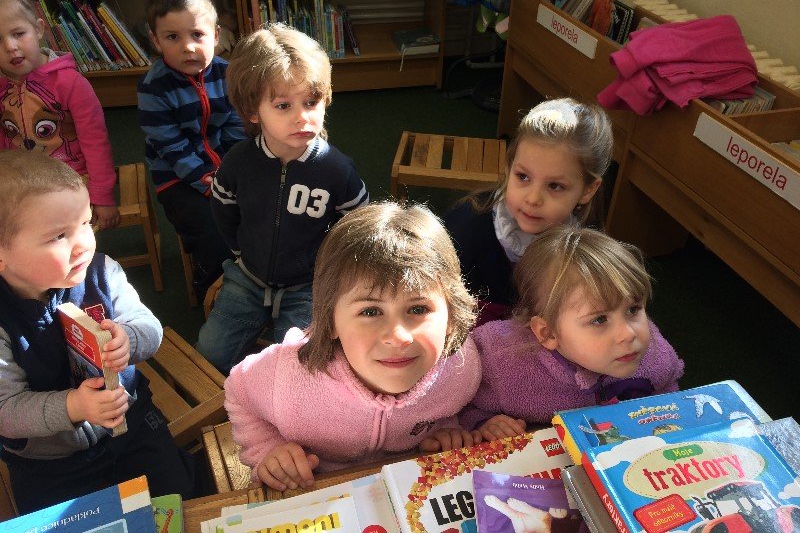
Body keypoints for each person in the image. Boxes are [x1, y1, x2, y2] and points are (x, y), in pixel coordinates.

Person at [224, 202, 482, 491]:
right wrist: (267, 449)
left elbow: (459, 407)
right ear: (331, 320)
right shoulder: (287, 376)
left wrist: (450, 430)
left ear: (451, 317)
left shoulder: (461, 367)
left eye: (418, 309)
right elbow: (238, 391)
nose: (398, 336)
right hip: (317, 490)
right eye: (370, 311)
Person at [0, 152, 196, 515]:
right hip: (50, 459)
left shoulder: (102, 272)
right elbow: (6, 411)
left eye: (86, 222)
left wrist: (128, 338)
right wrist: (73, 406)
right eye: (59, 236)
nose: (83, 244)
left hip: (130, 421)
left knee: (178, 498)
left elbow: (149, 327)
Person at [197, 24, 368, 374]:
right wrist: (241, 253)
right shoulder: (239, 162)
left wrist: (329, 273)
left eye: (311, 102)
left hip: (307, 285)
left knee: (298, 367)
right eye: (283, 105)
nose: (302, 116)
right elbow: (223, 209)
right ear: (253, 111)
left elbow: (357, 226)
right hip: (248, 278)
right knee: (208, 355)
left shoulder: (337, 170)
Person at [460, 225, 684, 440]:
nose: (628, 334)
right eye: (599, 319)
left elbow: (668, 387)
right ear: (548, 334)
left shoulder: (653, 353)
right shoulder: (500, 362)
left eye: (633, 309)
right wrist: (483, 422)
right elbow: (461, 402)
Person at [444, 97, 613, 327]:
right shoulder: (464, 229)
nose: (533, 199)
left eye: (555, 186)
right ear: (509, 167)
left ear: (588, 190)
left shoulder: (585, 248)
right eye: (523, 177)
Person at [138, 0, 245, 302]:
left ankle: (256, 275)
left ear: (216, 35)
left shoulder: (228, 73)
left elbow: (237, 126)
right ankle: (213, 284)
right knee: (210, 229)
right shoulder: (153, 88)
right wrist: (206, 180)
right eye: (172, 37)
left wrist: (231, 169)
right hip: (177, 177)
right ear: (156, 41)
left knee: (262, 210)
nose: (187, 47)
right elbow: (170, 146)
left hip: (223, 166)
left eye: (197, 34)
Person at [0, 0, 119, 232]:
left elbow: (95, 141)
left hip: (70, 180)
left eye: (18, 33)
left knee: (43, 229)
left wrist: (102, 195)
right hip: (20, 184)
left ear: (39, 29)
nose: (10, 47)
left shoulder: (70, 83)